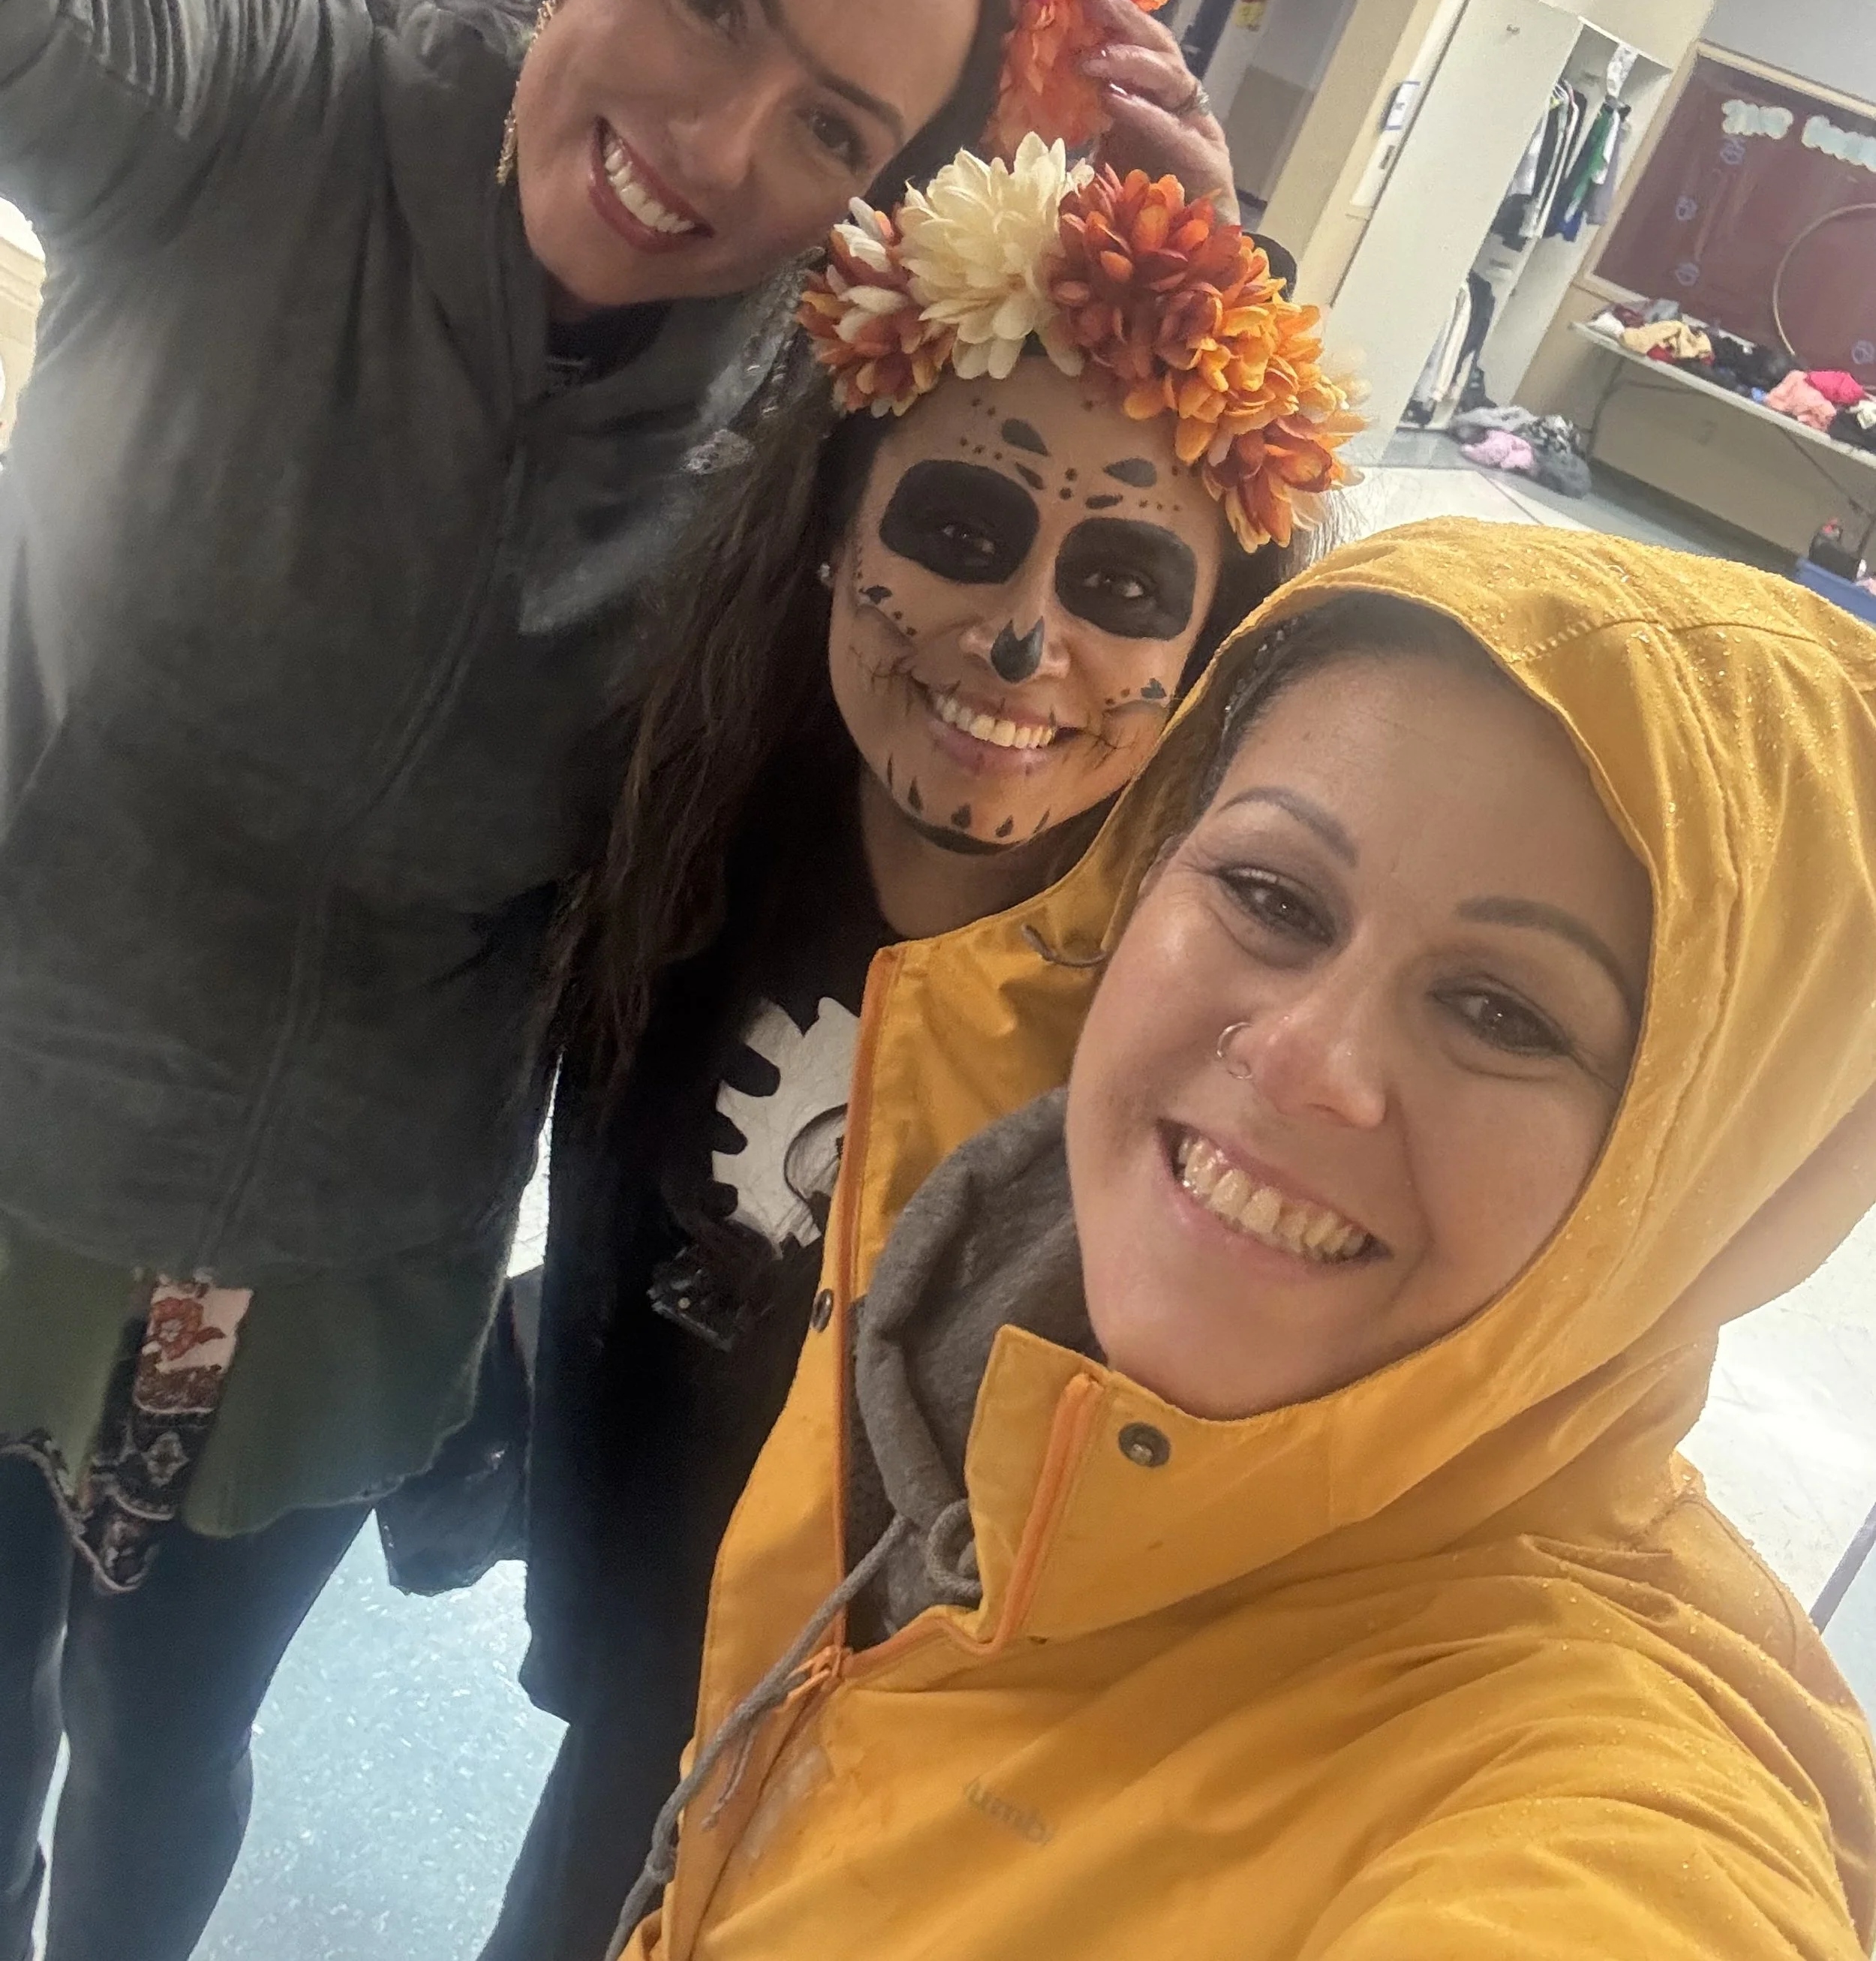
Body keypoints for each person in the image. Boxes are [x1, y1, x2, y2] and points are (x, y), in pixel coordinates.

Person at [0, 0, 1025, 1961]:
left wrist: (1140, 297)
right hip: (21, 1119)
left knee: (169, 1749)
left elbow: (1088, 676)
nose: (710, 141)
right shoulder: (264, 88)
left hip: (355, 1247)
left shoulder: (807, 403)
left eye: (829, 129)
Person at [604, 517, 1876, 1961]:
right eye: (1273, 897)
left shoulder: (1595, 1793)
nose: (1308, 1060)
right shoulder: (965, 1301)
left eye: (1504, 1013)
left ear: (1696, 1181)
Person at [499, 101, 1356, 1953]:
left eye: (1124, 586)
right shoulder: (694, 831)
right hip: (641, 1662)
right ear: (834, 536)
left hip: (917, 1810)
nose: (1023, 641)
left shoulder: (1188, 1042)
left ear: (1204, 659)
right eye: (958, 527)